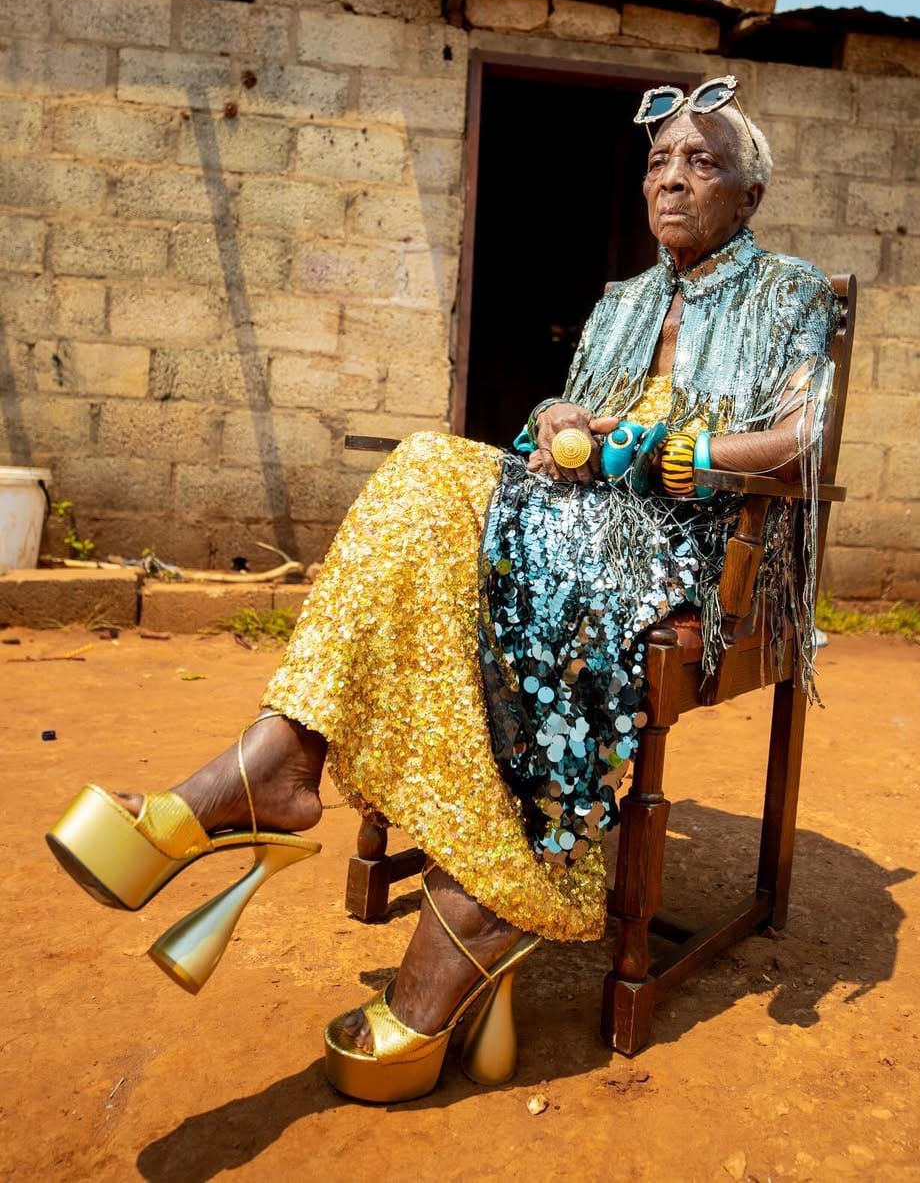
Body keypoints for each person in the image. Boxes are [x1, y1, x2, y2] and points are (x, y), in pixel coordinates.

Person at [46, 77, 839, 1105]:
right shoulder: (625, 301)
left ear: (750, 190)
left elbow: (800, 443)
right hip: (569, 510)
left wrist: (653, 453)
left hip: (688, 545)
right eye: (657, 161)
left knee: (501, 533)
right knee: (427, 470)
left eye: (702, 161)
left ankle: (348, 819)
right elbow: (568, 424)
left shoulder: (791, 289)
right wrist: (564, 414)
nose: (672, 178)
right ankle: (287, 766)